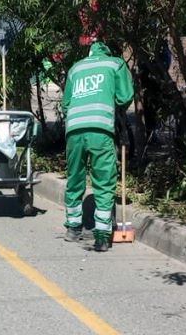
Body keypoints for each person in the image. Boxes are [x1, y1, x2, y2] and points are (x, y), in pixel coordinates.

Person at [61, 40, 134, 252]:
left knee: (74, 178)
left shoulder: (76, 68)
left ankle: (73, 228)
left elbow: (66, 104)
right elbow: (125, 96)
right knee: (103, 180)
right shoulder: (115, 64)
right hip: (100, 130)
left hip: (74, 131)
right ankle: (102, 236)